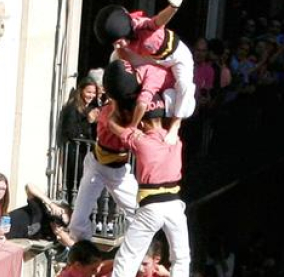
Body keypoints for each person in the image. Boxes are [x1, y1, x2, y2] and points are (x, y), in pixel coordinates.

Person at [106, 94, 190, 277]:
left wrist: (115, 104)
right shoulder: (176, 141)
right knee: (182, 257)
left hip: (151, 207)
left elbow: (112, 125)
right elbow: (177, 122)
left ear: (143, 123)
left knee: (128, 256)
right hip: (175, 205)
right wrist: (175, 124)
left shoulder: (141, 142)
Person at [94, 0, 197, 130]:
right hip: (149, 57)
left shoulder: (142, 27)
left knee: (184, 86)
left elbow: (159, 20)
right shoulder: (121, 37)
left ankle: (175, 124)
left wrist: (173, 7)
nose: (117, 45)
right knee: (114, 60)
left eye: (118, 42)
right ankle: (116, 107)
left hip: (175, 57)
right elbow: (119, 56)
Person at [68, 61, 140, 243]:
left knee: (141, 215)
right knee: (76, 224)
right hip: (96, 165)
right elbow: (119, 130)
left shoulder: (130, 110)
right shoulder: (108, 112)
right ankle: (87, 255)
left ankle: (138, 254)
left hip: (119, 172)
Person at [6, 182, 75, 246]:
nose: (59, 219)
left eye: (62, 222)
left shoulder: (50, 235)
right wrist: (51, 204)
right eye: (61, 212)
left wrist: (60, 233)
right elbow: (29, 186)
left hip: (5, 236)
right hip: (1, 223)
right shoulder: (40, 210)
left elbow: (73, 245)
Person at [57, 77, 100, 148]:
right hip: (75, 152)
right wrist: (88, 121)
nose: (91, 96)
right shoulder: (73, 107)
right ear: (81, 91)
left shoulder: (91, 107)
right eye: (88, 92)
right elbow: (70, 131)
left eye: (94, 93)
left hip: (86, 151)